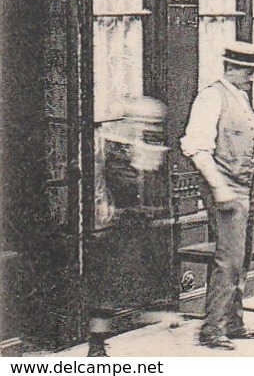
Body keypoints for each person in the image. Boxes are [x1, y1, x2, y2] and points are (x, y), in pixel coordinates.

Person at [181, 40, 254, 351]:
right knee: (228, 259)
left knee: (241, 258)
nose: (251, 77)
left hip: (246, 186)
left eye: (253, 71)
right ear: (231, 68)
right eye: (247, 71)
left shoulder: (240, 97)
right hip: (226, 188)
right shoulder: (210, 97)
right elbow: (195, 147)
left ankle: (233, 321)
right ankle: (212, 329)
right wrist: (218, 187)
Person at [85, 97, 171, 356]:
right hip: (115, 227)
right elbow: (125, 187)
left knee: (118, 285)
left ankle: (100, 342)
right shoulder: (116, 152)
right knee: (108, 288)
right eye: (149, 125)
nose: (153, 132)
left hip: (132, 227)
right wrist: (144, 169)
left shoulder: (130, 149)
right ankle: (96, 346)